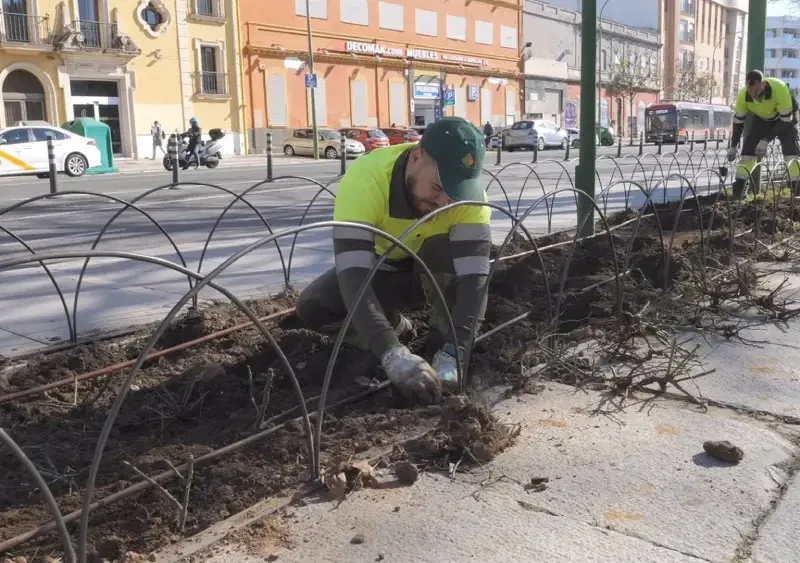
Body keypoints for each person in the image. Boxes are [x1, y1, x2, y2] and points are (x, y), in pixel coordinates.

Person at [295, 117, 492, 405]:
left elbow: (474, 282)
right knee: (314, 306)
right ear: (416, 157)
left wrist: (456, 351)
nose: (443, 204)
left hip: (438, 275)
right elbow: (354, 277)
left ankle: (439, 342)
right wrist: (391, 352)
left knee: (441, 248)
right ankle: (398, 331)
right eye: (437, 188)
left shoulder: (470, 199)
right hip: (387, 271)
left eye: (454, 195)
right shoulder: (367, 179)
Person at [728, 69, 800, 197]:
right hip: (762, 119)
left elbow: (785, 120)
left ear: (764, 84)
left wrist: (766, 140)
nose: (754, 94)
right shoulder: (743, 96)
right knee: (748, 151)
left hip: (786, 119)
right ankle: (739, 190)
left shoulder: (779, 88)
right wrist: (733, 146)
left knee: (791, 152)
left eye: (757, 90)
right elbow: (738, 122)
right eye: (751, 91)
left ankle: (797, 191)